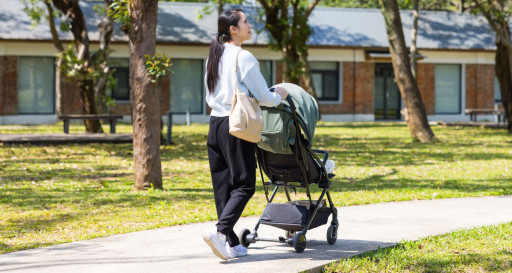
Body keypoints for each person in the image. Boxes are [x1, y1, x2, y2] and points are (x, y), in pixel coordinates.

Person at [202, 8, 288, 260]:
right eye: (245, 22)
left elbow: (209, 95)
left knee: (223, 185)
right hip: (236, 124)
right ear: (233, 29)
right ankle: (220, 231)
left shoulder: (213, 57)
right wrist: (279, 95)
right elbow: (264, 97)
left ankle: (230, 242)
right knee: (244, 184)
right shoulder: (244, 56)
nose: (250, 26)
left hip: (215, 123)